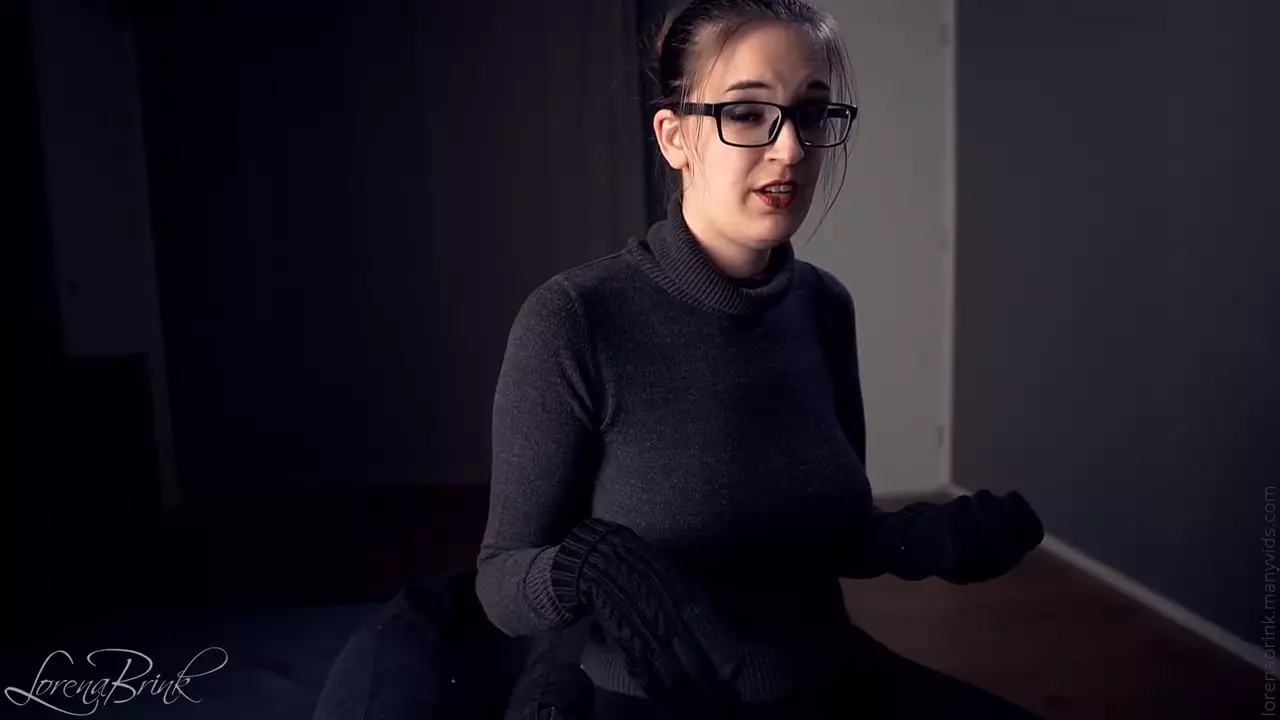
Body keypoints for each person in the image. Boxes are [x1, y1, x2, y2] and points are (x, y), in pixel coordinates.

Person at [478, 1, 1047, 718]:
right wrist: (585, 568)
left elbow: (831, 535)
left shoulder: (823, 306)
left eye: (811, 113)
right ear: (675, 136)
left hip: (829, 675)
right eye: (747, 114)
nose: (792, 149)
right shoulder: (576, 318)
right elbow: (500, 584)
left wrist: (925, 540)